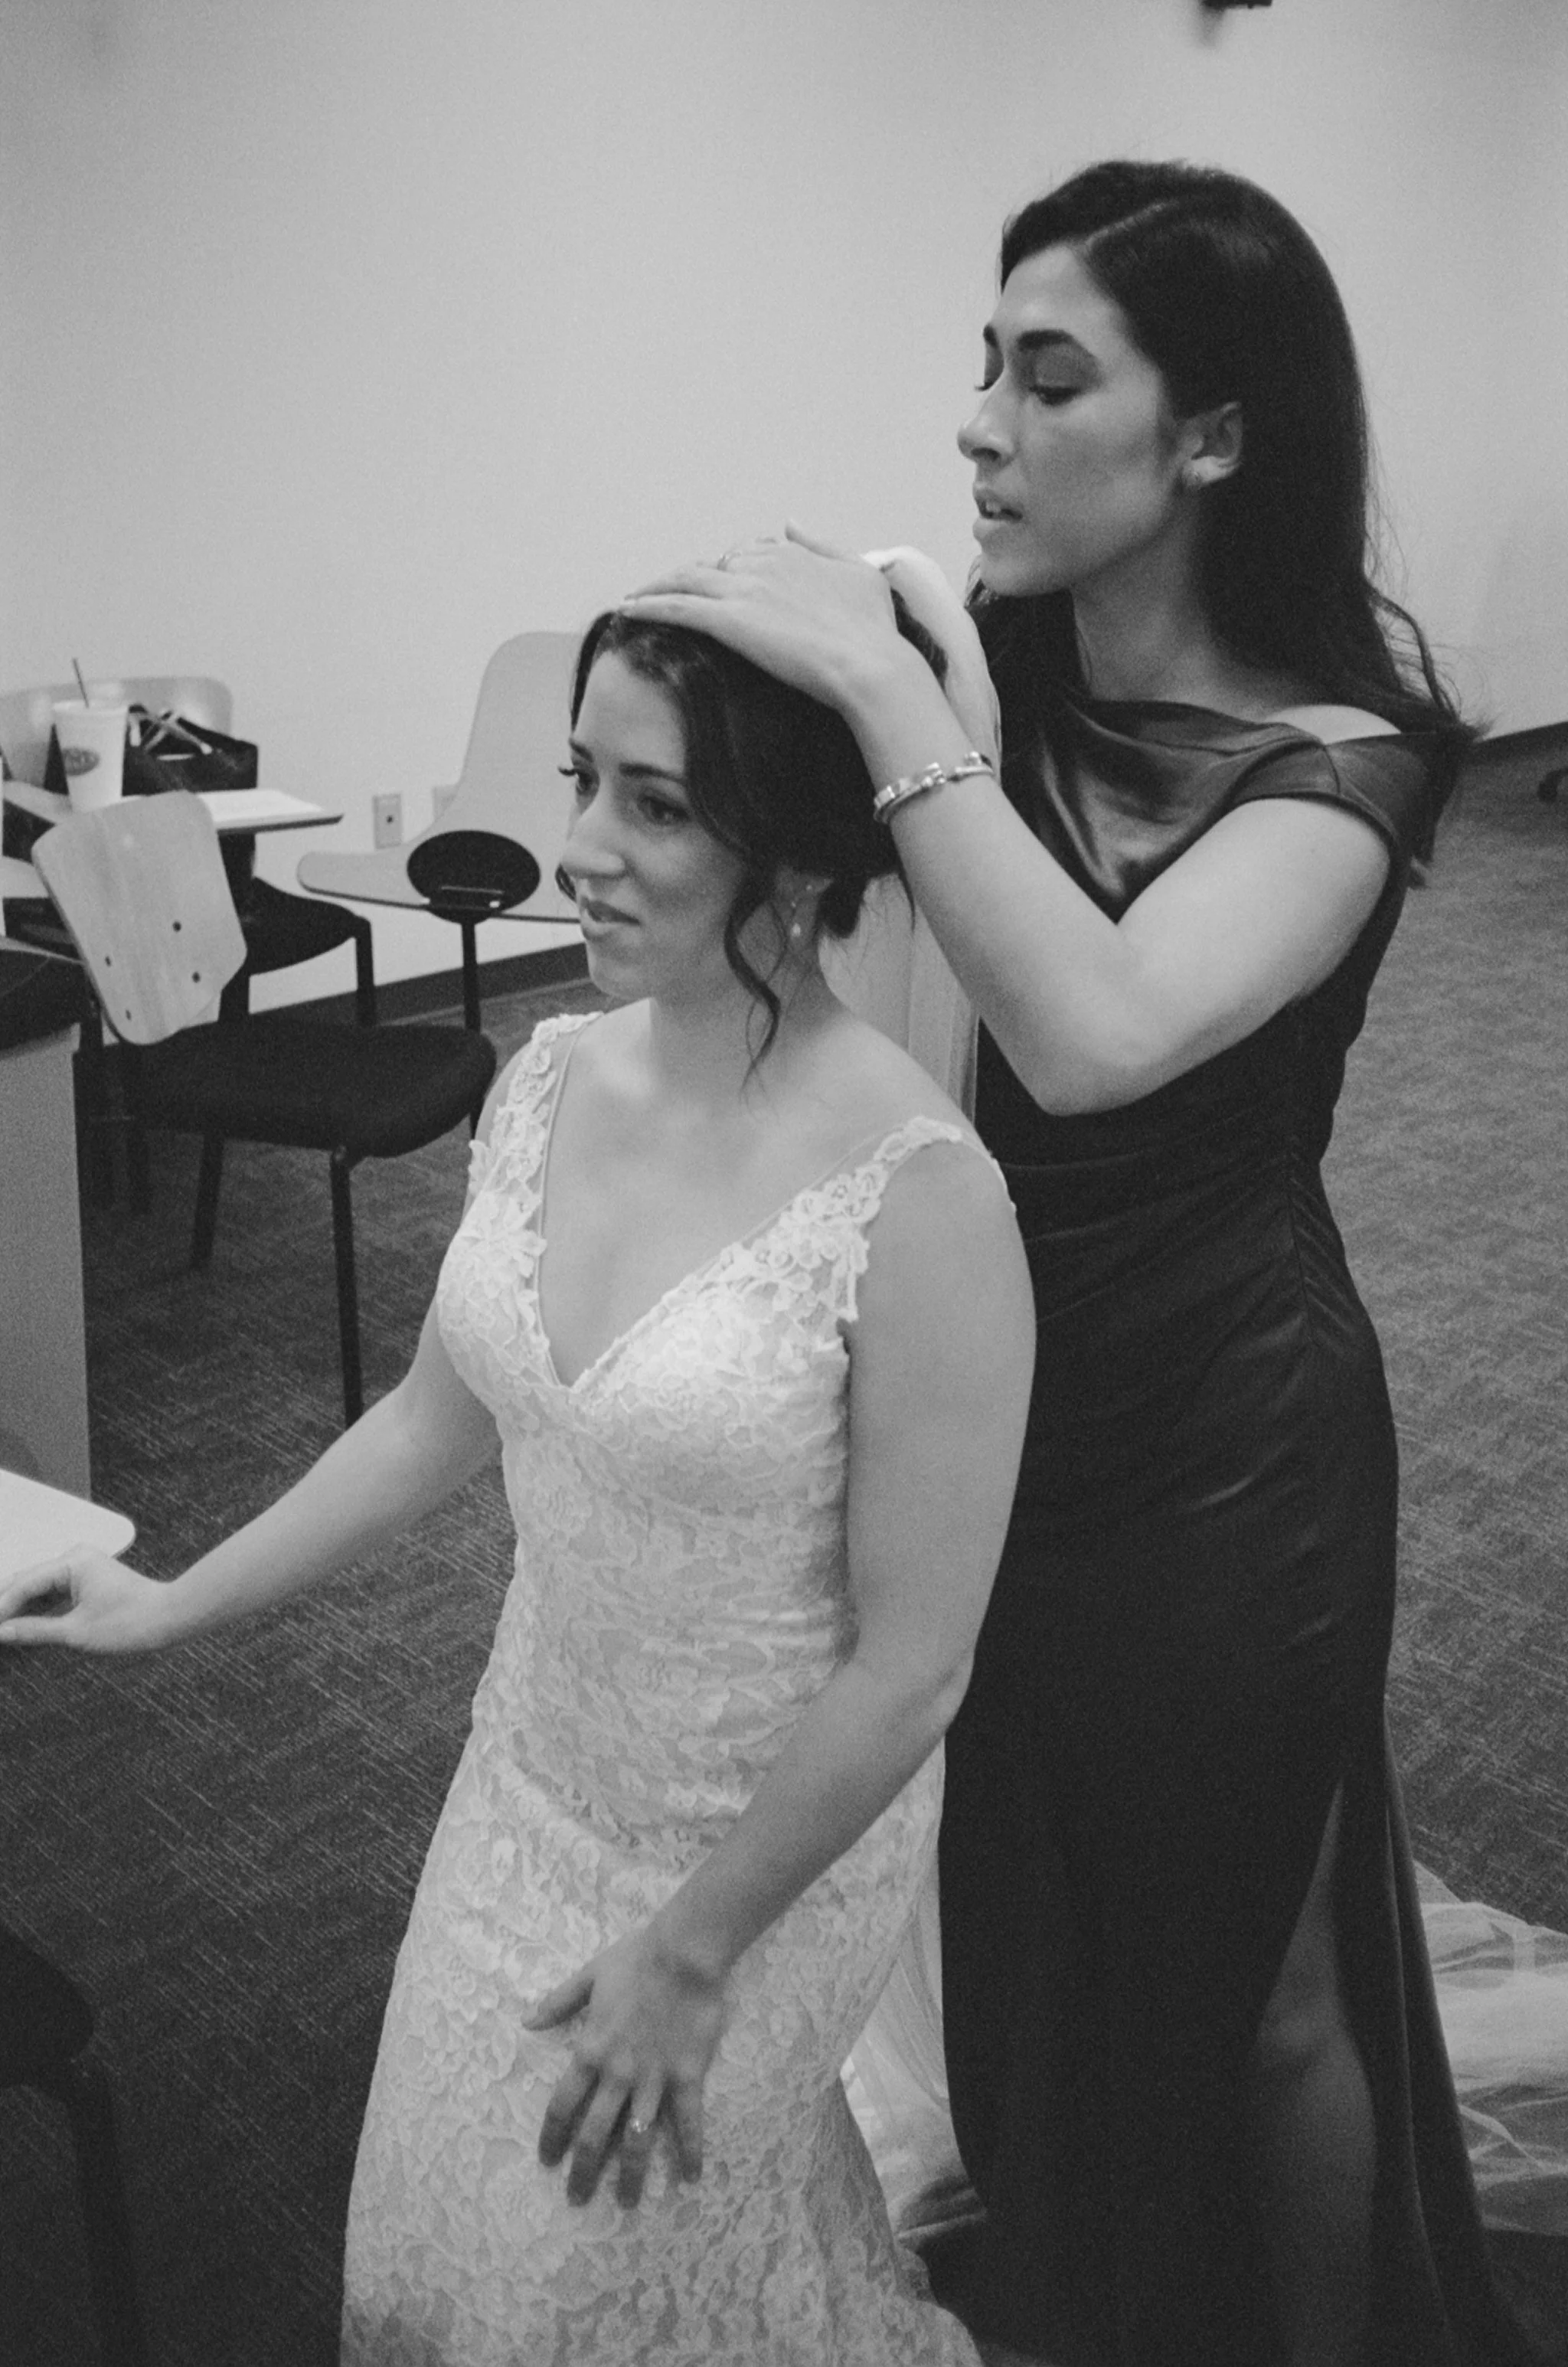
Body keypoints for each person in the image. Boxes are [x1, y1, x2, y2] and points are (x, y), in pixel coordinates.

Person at [619, 162, 1544, 2366]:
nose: (981, 425)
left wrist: (893, 699)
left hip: (1226, 1446)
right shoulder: (984, 684)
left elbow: (1099, 1030)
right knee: (1040, 1946)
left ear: (1210, 436)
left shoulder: (1343, 761)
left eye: (1051, 381)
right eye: (986, 369)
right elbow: (789, 949)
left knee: (1268, 1982)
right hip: (984, 1416)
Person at [0, 607, 1034, 2365]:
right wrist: (169, 1604)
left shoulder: (920, 1192)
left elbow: (915, 1668)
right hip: (531, 1781)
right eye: (583, 780)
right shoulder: (550, 1075)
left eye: (657, 804)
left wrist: (694, 1951)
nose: (581, 849)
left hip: (760, 1857)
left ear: (798, 852)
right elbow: (431, 1420)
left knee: (553, 2306)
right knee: (422, 2268)